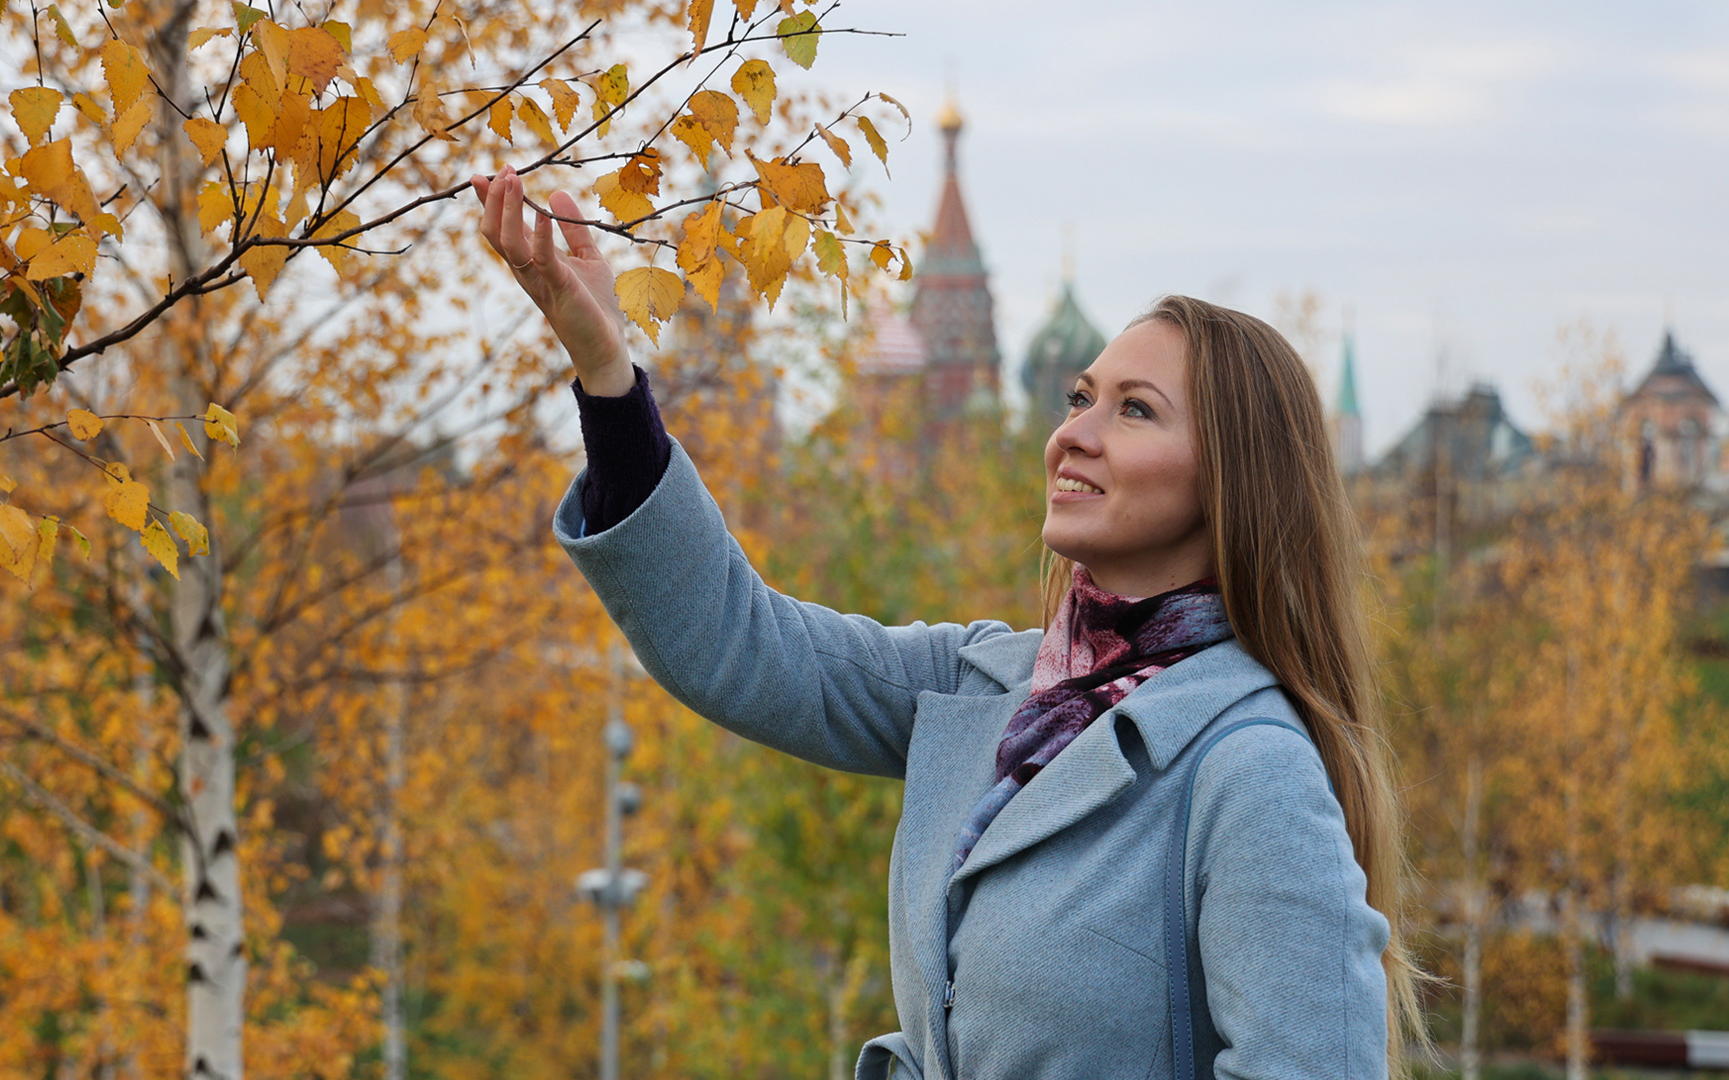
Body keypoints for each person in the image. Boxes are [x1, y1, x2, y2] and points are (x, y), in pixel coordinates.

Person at [469, 165, 1426, 1079]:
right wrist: (604, 366)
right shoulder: (992, 689)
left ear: (1231, 477)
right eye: (1079, 397)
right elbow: (733, 643)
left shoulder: (1249, 769)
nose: (1074, 432)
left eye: (1135, 410)